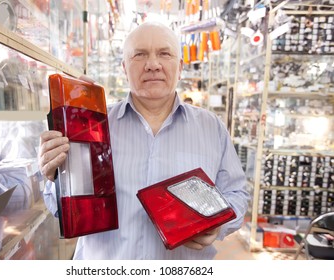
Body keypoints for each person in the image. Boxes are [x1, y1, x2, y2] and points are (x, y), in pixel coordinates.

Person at [39, 21, 249, 260]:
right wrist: (55, 178)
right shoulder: (90, 126)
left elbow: (237, 194)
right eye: (140, 55)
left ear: (180, 67)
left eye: (164, 53)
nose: (153, 65)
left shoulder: (212, 128)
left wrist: (218, 224)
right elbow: (60, 210)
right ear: (124, 67)